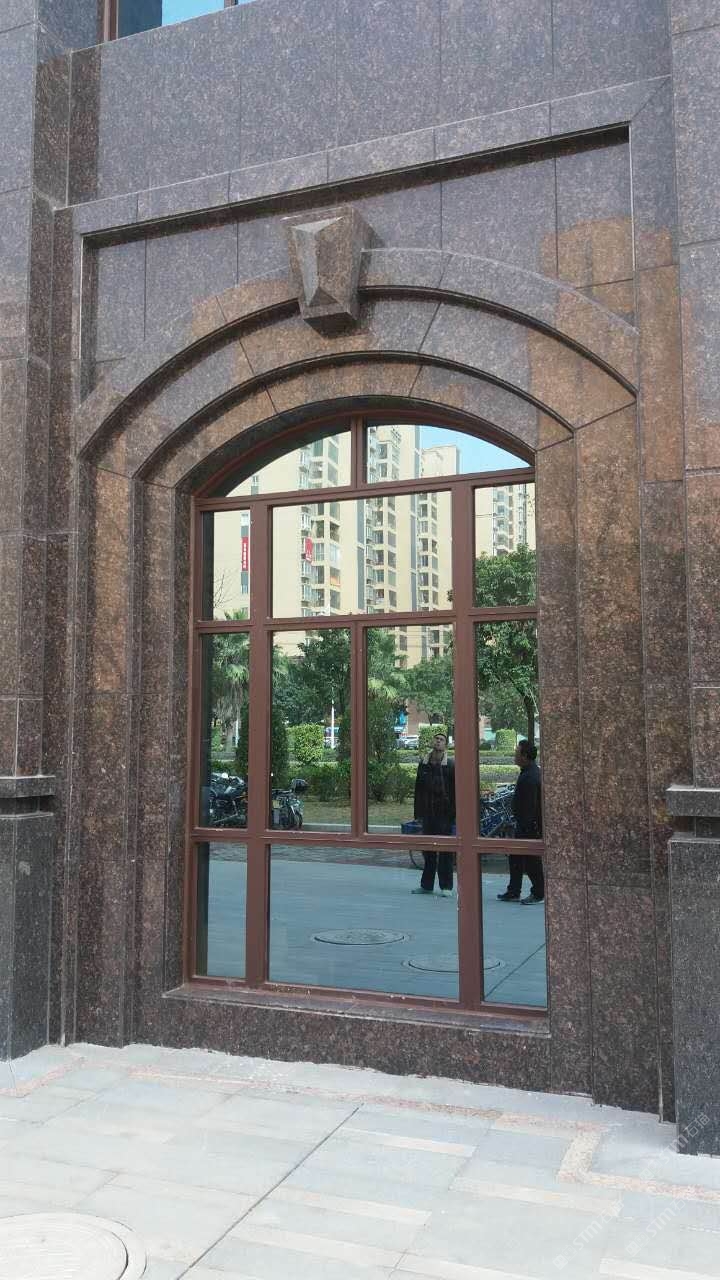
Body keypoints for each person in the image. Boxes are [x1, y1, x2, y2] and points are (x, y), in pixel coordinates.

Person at [498, 739, 544, 905]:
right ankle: (514, 890)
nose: (514, 756)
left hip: (528, 827)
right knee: (516, 857)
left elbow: (530, 806)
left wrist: (525, 826)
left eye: (517, 753)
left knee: (531, 861)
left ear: (524, 756)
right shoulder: (529, 772)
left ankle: (539, 892)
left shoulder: (530, 777)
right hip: (525, 825)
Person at [411, 731, 456, 896]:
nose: (438, 741)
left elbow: (456, 791)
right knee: (428, 850)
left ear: (446, 745)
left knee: (445, 851)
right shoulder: (424, 763)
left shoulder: (450, 765)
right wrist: (418, 814)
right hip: (428, 814)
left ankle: (446, 887)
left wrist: (454, 813)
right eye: (436, 739)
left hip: (444, 814)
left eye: (441, 739)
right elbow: (418, 790)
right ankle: (426, 886)